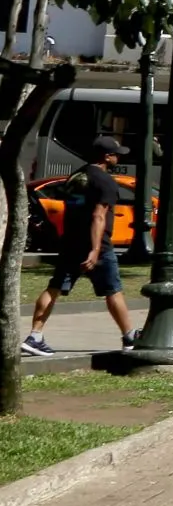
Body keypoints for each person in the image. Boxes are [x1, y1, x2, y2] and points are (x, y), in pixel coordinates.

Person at [27, 137, 136, 355]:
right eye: (116, 154)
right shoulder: (105, 181)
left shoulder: (77, 176)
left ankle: (34, 336)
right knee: (113, 290)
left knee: (54, 287)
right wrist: (95, 250)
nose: (118, 157)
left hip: (70, 242)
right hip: (97, 246)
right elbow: (98, 216)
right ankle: (129, 337)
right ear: (107, 157)